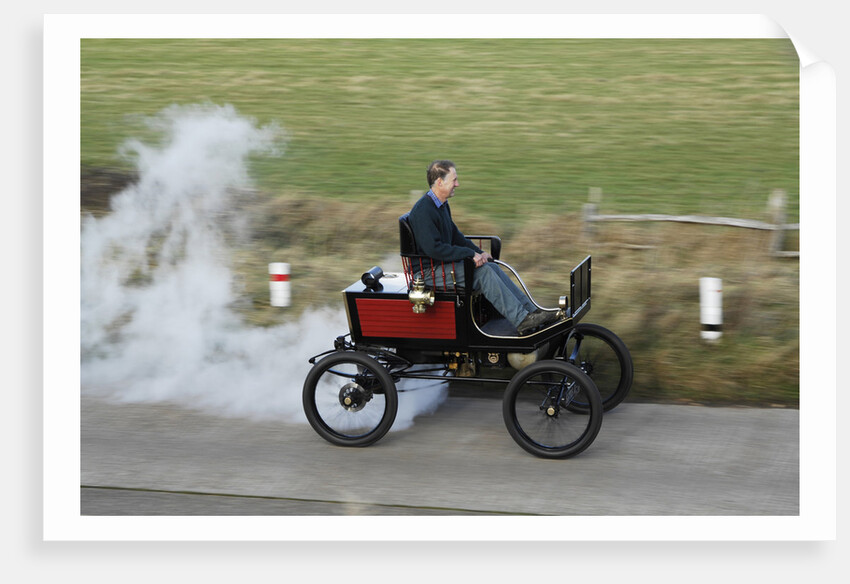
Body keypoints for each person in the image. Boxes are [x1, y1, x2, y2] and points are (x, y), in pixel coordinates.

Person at [407, 160, 559, 336]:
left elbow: (456, 236)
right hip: (428, 274)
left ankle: (531, 312)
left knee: (491, 266)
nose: (458, 184)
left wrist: (479, 253)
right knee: (484, 273)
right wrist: (469, 254)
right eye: (454, 180)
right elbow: (434, 249)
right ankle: (522, 320)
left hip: (440, 268)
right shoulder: (423, 211)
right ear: (439, 182)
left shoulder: (441, 206)